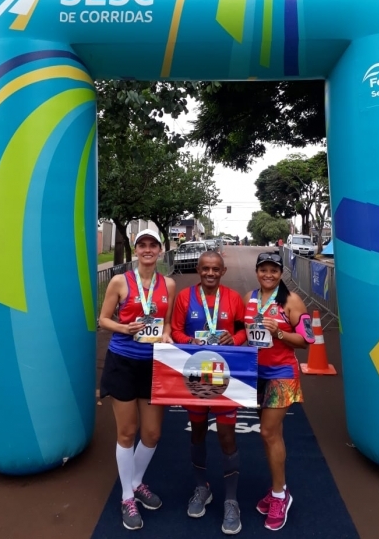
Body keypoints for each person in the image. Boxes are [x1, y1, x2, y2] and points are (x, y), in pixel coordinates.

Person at [99, 229, 176, 531]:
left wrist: (166, 334)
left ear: (159, 250)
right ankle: (127, 496)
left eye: (152, 245)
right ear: (136, 249)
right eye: (142, 245)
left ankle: (135, 481)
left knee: (153, 433)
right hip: (123, 362)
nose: (147, 249)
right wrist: (124, 328)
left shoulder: (168, 284)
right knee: (127, 432)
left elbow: (166, 323)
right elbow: (103, 319)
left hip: (154, 364)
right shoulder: (120, 281)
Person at [171, 251, 247, 535]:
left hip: (225, 376)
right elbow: (175, 331)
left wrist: (234, 338)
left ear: (223, 271)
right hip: (196, 375)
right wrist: (189, 341)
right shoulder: (184, 297)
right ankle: (202, 488)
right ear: (198, 269)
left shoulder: (233, 298)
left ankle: (231, 500)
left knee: (227, 437)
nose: (210, 273)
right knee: (198, 432)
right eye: (205, 269)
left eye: (216, 269)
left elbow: (243, 330)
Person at [243, 252, 315, 532]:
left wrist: (279, 334)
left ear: (280, 273)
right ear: (257, 272)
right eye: (263, 269)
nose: (268, 275)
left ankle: (279, 496)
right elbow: (243, 332)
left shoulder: (291, 300)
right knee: (272, 435)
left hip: (282, 373)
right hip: (256, 373)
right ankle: (278, 489)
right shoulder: (249, 298)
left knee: (267, 432)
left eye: (273, 270)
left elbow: (307, 339)